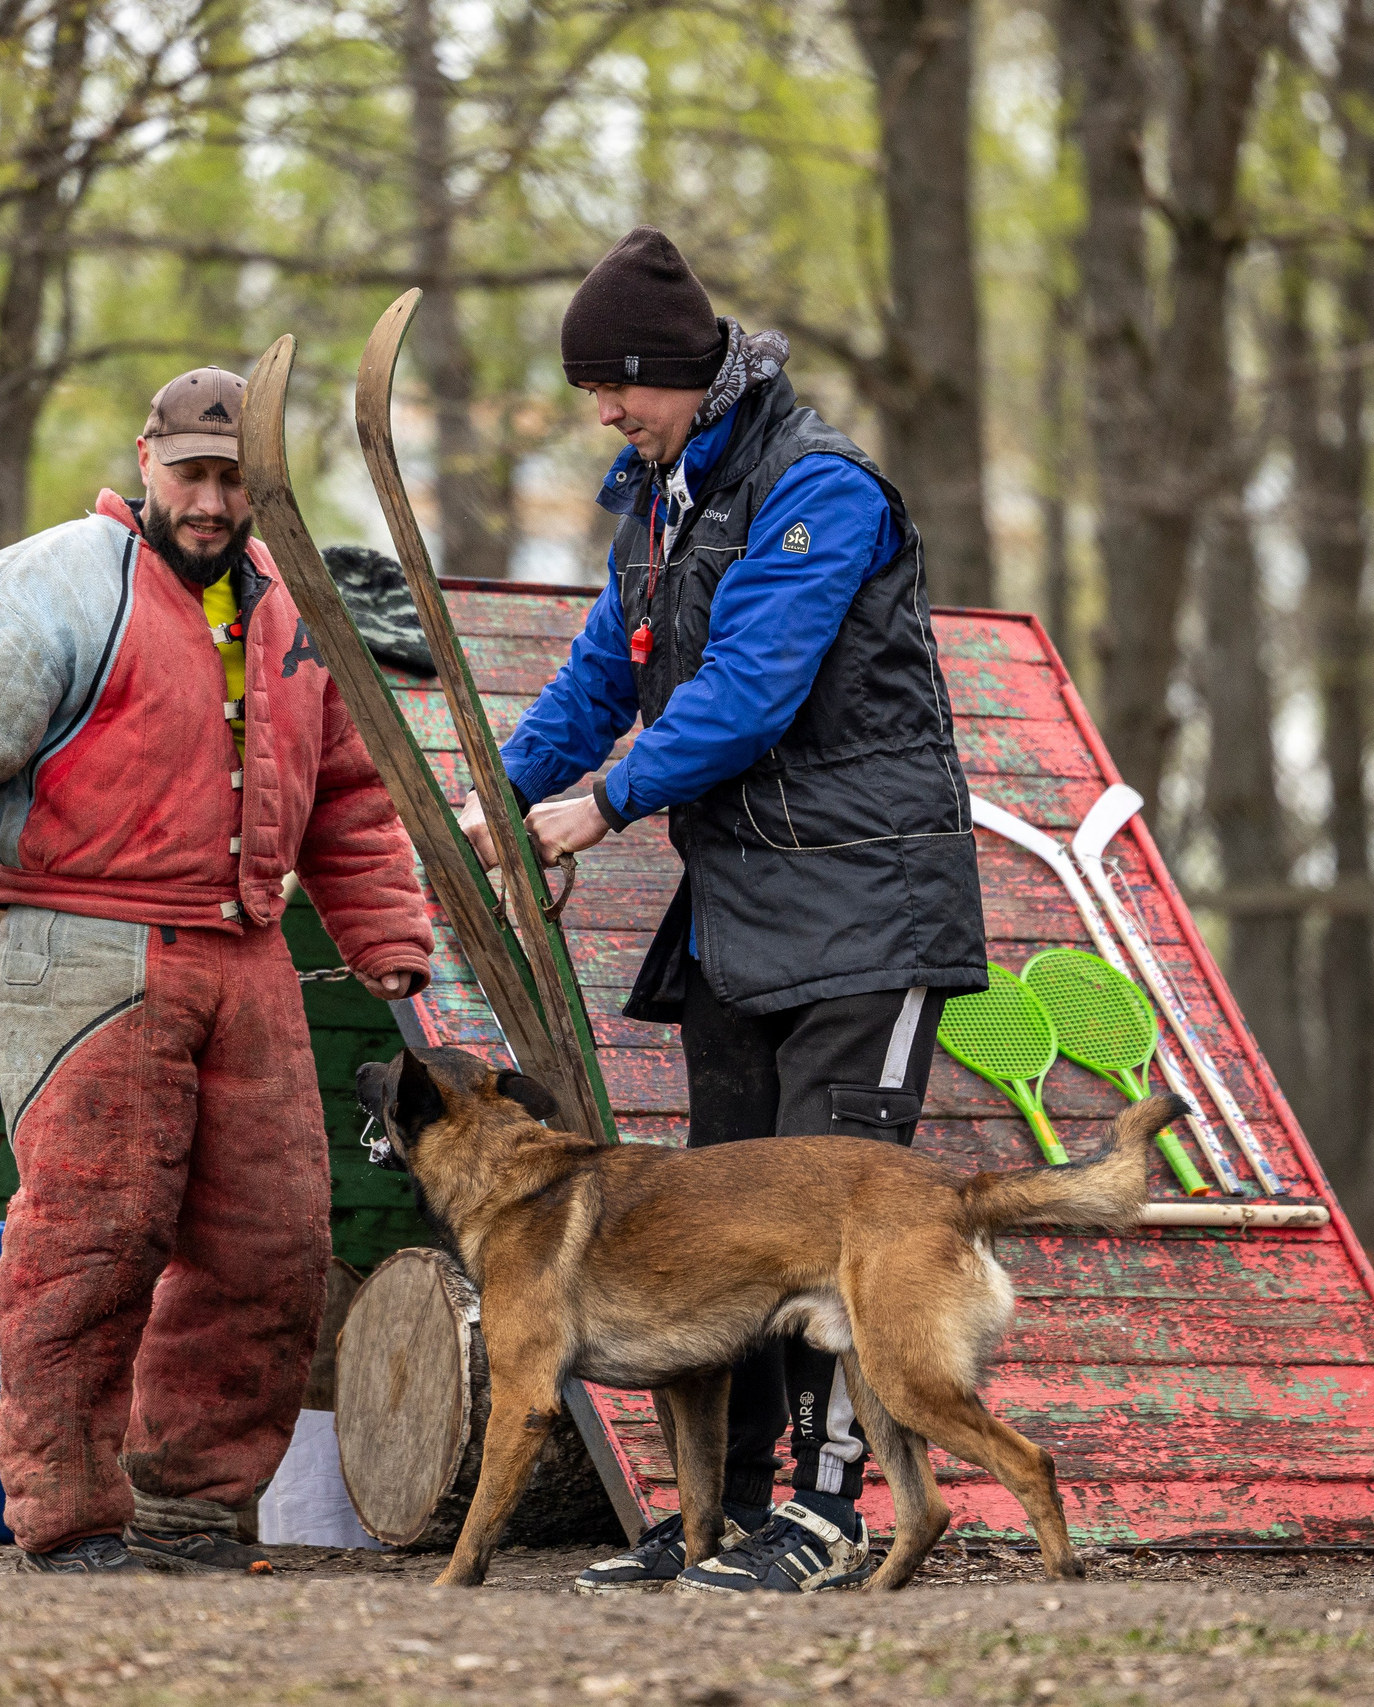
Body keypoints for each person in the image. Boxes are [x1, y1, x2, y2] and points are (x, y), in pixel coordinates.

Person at [456, 227, 989, 1594]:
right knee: (718, 1227)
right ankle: (713, 1514)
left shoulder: (821, 493)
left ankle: (827, 1512)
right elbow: (600, 671)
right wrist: (502, 801)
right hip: (743, 919)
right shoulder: (658, 500)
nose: (603, 412)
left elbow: (749, 691)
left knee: (843, 1231)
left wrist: (605, 803)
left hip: (867, 912)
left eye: (619, 386)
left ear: (683, 368)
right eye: (591, 392)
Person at [0, 366, 432, 1574]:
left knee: (270, 1247)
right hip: (85, 942)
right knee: (91, 1241)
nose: (213, 502)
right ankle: (66, 1518)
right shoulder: (50, 581)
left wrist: (384, 939)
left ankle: (192, 1506)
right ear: (146, 462)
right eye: (194, 476)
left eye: (234, 480)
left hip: (246, 949)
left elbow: (348, 800)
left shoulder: (292, 607)